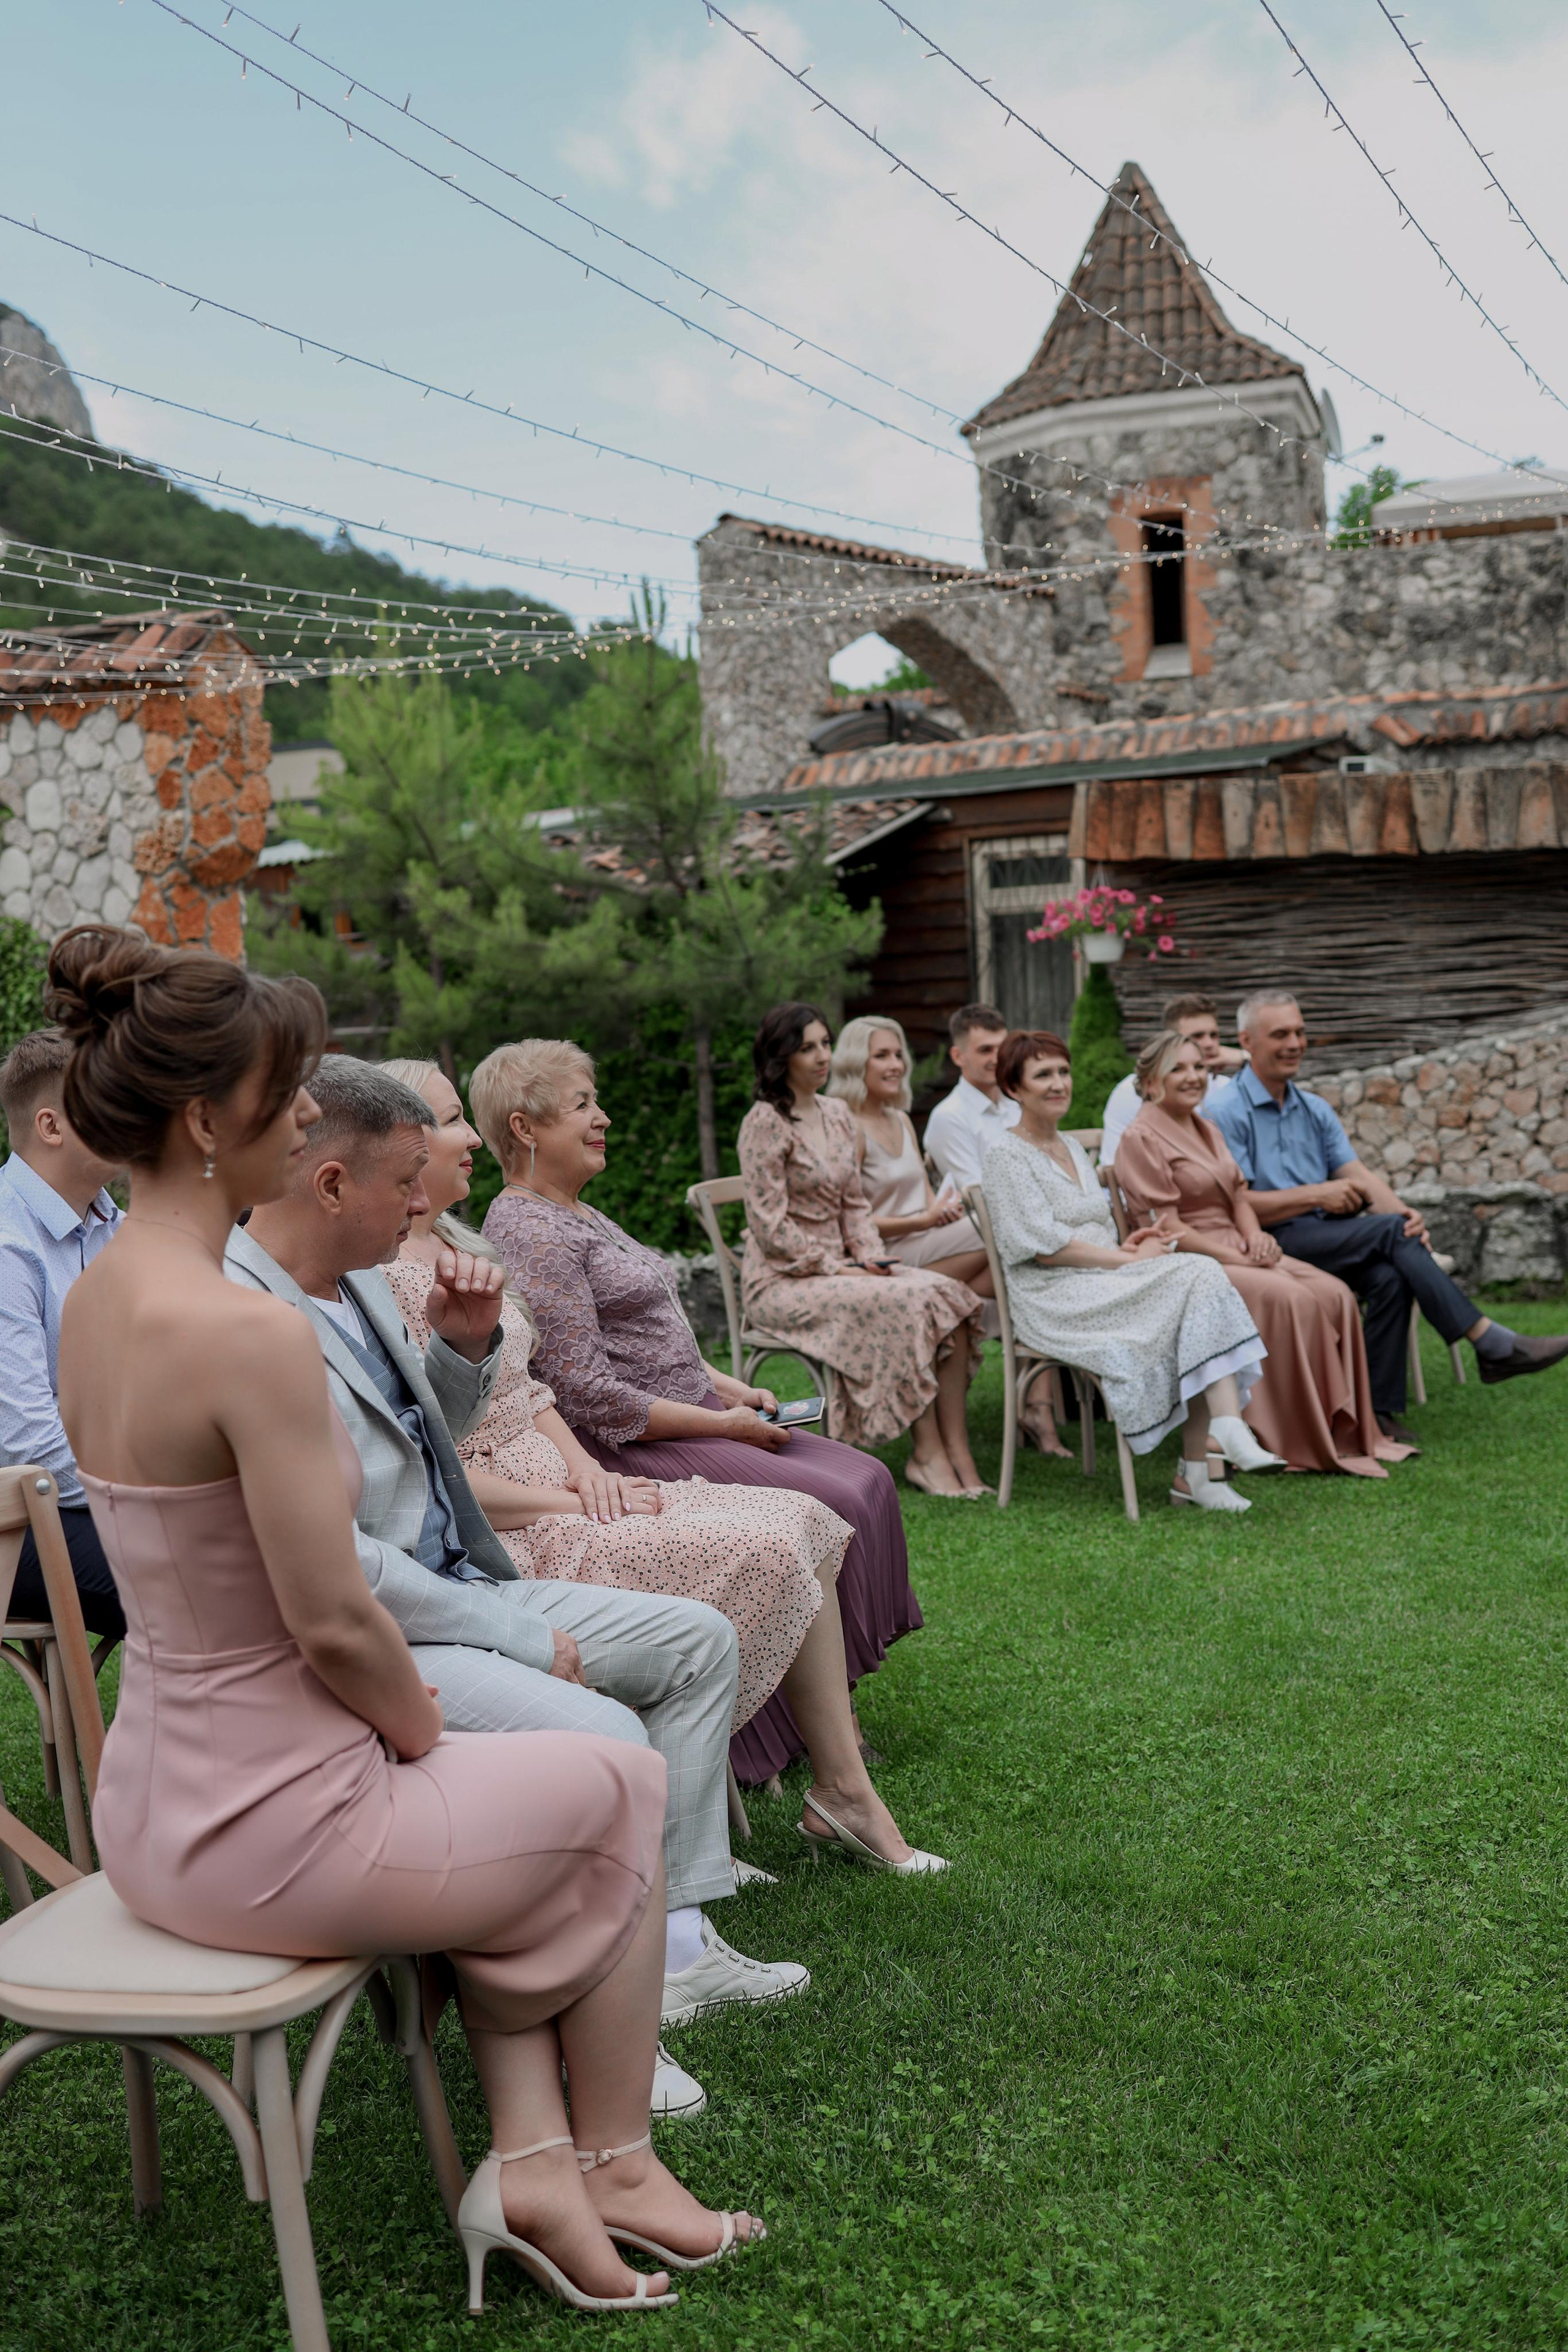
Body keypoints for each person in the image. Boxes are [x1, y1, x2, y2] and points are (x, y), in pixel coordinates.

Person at [50, 924, 757, 2315]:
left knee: (561, 1784)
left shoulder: (92, 1297)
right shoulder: (242, 1328)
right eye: (290, 1089)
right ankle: (600, 2158)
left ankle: (542, 2162)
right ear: (207, 1118)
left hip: (150, 1804)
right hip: (269, 1820)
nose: (309, 1112)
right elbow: (333, 1618)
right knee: (612, 1777)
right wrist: (421, 1726)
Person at [227, 1056, 808, 2117]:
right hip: (391, 1632)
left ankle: (675, 1948)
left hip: (459, 1579)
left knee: (698, 1644)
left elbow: (427, 1442)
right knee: (606, 1740)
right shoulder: (253, 1319)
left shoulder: (350, 1279)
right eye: (407, 1183)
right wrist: (517, 1633)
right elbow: (342, 1564)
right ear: (331, 1186)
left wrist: (459, 1349)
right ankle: (599, 2033)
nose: (425, 1205)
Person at [475, 1037, 946, 1868]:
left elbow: (656, 1340)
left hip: (693, 1409)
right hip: (635, 1443)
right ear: (525, 1126)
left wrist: (731, 1390)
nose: (603, 1116)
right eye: (583, 1103)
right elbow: (584, 1389)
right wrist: (724, 1430)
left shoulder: (577, 1207)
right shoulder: (528, 1227)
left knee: (867, 1477)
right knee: (840, 1495)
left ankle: (817, 1719)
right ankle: (785, 1742)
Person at [379, 1057, 855, 1798]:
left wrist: (586, 1470)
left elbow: (530, 1388)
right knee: (769, 1536)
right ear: (394, 1141)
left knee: (810, 1515)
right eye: (448, 1121)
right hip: (509, 1528)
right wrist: (578, 1499)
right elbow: (433, 1470)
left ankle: (840, 1788)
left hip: (567, 1481)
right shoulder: (379, 1277)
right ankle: (714, 1800)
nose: (469, 1136)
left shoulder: (464, 1245)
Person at [1208, 992, 1568, 1442]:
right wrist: (1321, 1194)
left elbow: (1355, 1172)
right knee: (1392, 1236)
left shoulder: (1314, 1108)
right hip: (1269, 1242)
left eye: (1300, 1032)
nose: (1295, 1043)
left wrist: (1403, 1214)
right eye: (1280, 1034)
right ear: (1247, 1040)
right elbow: (1237, 1203)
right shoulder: (1225, 1112)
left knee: (1389, 1277)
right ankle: (1488, 1342)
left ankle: (1377, 1412)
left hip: (1327, 1235)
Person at [981, 1030, 1278, 1513]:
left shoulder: (1073, 1148)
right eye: (1043, 1076)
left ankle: (1204, 1468)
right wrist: (1127, 1260)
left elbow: (1092, 1229)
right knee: (1198, 1276)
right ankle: (1211, 1454)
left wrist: (1131, 1245)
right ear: (1014, 1089)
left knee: (1197, 1288)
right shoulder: (1005, 1155)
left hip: (1102, 1279)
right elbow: (1046, 1251)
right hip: (1053, 1298)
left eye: (1062, 1072)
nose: (1059, 1084)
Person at [1114, 1031, 1398, 1478]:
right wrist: (1238, 1258)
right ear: (1151, 1083)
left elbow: (1240, 1195)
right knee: (1293, 1299)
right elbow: (1166, 1228)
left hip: (1236, 1244)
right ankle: (1281, 1435)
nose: (1193, 1078)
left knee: (1336, 1293)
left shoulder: (1205, 1125)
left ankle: (1339, 1430)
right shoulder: (1141, 1137)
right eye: (1179, 1069)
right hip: (1191, 1259)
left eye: (1198, 1067)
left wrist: (1255, 1239)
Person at [738, 1003, 986, 1498]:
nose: (821, 1056)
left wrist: (874, 1258)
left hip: (846, 1268)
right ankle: (927, 1454)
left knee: (950, 1297)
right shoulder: (765, 1121)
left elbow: (855, 1204)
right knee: (907, 1302)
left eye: (825, 1044)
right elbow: (769, 1227)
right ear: (781, 1055)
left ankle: (959, 1451)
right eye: (807, 1047)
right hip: (785, 1280)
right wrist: (839, 1266)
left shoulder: (836, 1114)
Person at [0, 1028, 126, 1639]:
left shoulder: (116, 1226)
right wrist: (163, 1483)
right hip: (13, 1520)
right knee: (206, 1578)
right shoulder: (6, 1245)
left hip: (92, 1496)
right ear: (51, 1127)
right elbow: (30, 1445)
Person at [826, 1016, 992, 1289]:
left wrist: (942, 1211)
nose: (896, 1066)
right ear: (854, 1064)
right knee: (998, 1221)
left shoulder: (901, 1120)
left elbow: (927, 1195)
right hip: (887, 1253)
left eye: (898, 1055)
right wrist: (923, 1221)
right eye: (882, 1056)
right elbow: (847, 1220)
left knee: (1007, 1266)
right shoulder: (848, 1127)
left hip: (931, 1238)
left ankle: (961, 1309)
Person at [1099, 992, 1244, 1169]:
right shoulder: (1132, 1091)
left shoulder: (1225, 1086)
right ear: (1172, 1040)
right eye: (1198, 1036)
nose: (1209, 1044)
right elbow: (1117, 1168)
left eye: (1214, 1035)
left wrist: (1245, 1058)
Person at [922, 1003, 1020, 1191]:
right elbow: (979, 1196)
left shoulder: (1016, 1107)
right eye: (986, 1050)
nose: (997, 1059)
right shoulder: (949, 1117)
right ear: (958, 1056)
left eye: (1002, 1048)